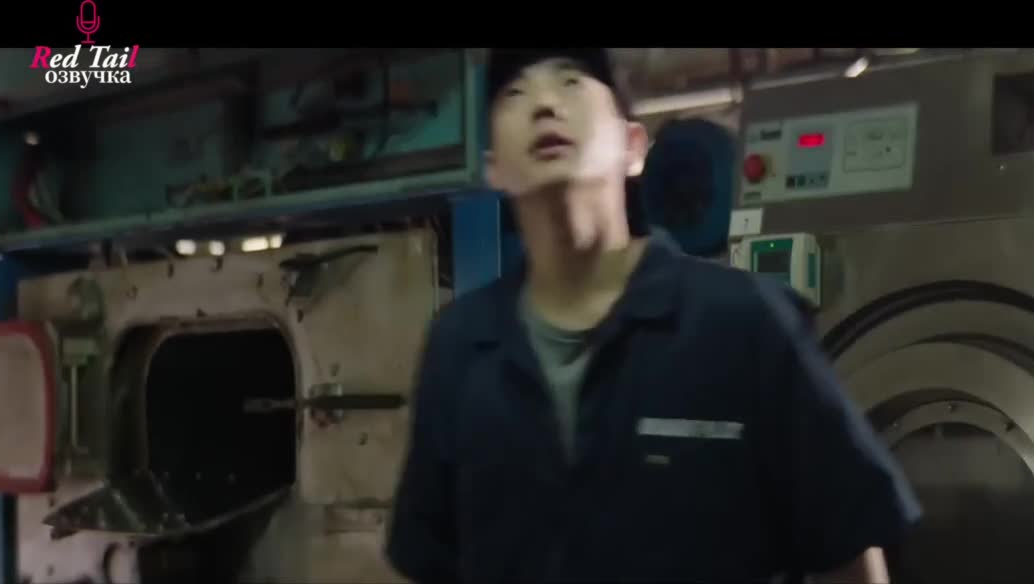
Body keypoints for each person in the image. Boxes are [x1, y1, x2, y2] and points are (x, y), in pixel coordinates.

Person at [386, 48, 921, 583]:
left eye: (571, 83)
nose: (544, 104)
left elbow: (847, 552)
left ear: (633, 147)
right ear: (493, 169)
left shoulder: (741, 322)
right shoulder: (460, 346)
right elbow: (430, 563)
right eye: (516, 93)